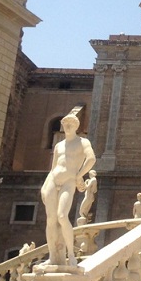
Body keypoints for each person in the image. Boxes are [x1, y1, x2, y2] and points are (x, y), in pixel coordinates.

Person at [40, 113, 96, 267]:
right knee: (51, 219)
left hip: (68, 181)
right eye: (65, 124)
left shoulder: (83, 142)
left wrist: (79, 175)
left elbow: (91, 159)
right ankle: (53, 256)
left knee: (62, 216)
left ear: (76, 126)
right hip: (53, 180)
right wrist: (45, 185)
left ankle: (70, 254)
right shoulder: (59, 145)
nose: (67, 126)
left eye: (70, 124)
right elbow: (53, 168)